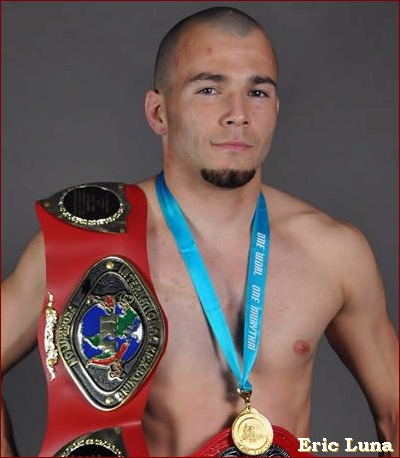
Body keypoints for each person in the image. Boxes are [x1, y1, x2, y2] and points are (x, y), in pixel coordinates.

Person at [1, 6, 398, 457]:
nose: (238, 114)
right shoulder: (84, 246)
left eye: (258, 92)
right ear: (159, 113)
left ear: (275, 109)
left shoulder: (334, 252)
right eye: (209, 89)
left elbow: (394, 412)